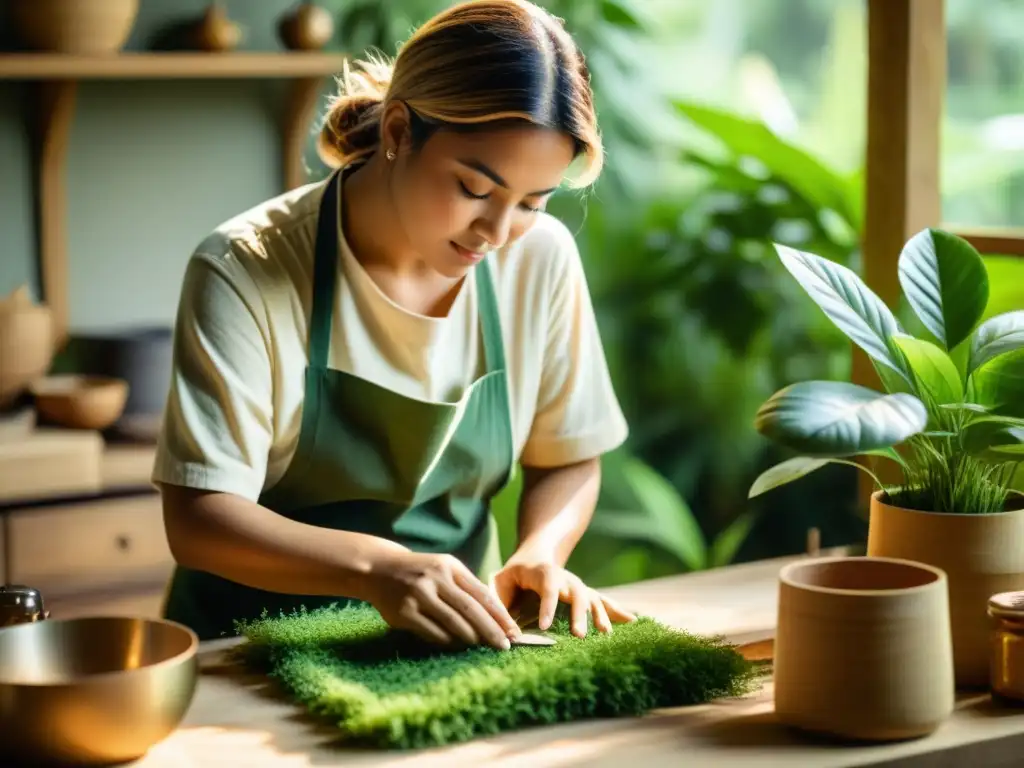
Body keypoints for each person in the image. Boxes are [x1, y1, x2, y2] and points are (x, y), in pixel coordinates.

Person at [153, 0, 635, 649]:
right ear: (401, 131)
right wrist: (379, 570)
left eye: (531, 202)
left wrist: (542, 551)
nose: (497, 232)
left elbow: (569, 458)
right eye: (473, 187)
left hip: (443, 646)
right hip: (246, 648)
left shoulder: (539, 258)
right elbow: (199, 519)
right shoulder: (244, 269)